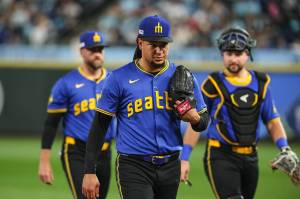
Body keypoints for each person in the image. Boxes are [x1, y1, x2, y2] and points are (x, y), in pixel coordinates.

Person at [81, 15, 209, 199]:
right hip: (133, 166)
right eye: (153, 44)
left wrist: (195, 118)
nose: (159, 50)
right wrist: (89, 171)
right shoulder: (118, 78)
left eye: (163, 45)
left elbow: (204, 121)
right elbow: (100, 125)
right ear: (140, 43)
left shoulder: (182, 77)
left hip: (170, 164)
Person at [180, 27, 299, 199]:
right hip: (221, 156)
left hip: (251, 156)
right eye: (229, 53)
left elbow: (272, 121)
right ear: (222, 54)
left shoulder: (261, 82)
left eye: (238, 53)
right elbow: (197, 123)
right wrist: (184, 158)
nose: (233, 58)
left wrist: (284, 147)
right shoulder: (213, 83)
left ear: (248, 53)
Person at [38, 31, 115, 199]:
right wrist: (44, 161)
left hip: (105, 152)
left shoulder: (113, 80)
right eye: (92, 49)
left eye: (100, 49)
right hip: (76, 151)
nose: (97, 54)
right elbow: (51, 123)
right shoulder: (66, 83)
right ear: (81, 52)